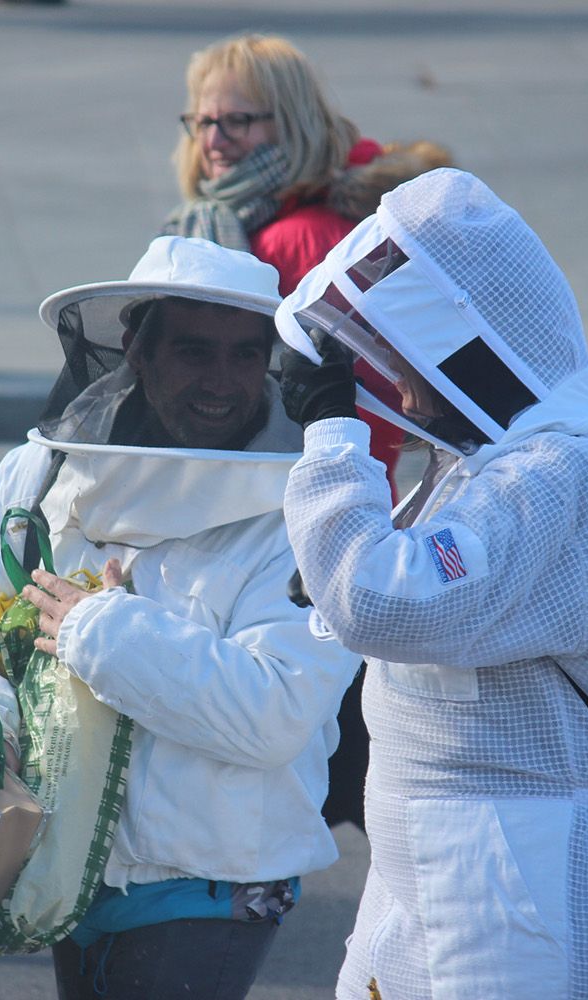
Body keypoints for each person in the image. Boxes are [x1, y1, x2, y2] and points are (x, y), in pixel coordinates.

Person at [0, 236, 361, 998]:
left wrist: (100, 632)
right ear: (136, 352)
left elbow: (277, 709)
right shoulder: (42, 468)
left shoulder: (307, 509)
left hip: (211, 882)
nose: (224, 381)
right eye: (192, 352)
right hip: (63, 867)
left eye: (246, 355)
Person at [278, 167, 588, 998]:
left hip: (522, 881)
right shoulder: (509, 464)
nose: (400, 385)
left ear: (471, 339)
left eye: (404, 354)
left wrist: (330, 436)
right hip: (469, 867)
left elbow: (380, 600)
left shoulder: (558, 475)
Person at [164, 31, 448, 831]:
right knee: (346, 760)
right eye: (201, 123)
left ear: (285, 123)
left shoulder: (298, 237)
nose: (213, 143)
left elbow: (319, 397)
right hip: (324, 507)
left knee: (322, 763)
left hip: (299, 517)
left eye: (237, 123)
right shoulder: (265, 217)